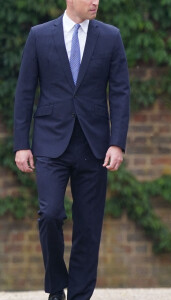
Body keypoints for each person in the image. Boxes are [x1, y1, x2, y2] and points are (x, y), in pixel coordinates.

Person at [13, 0, 130, 299]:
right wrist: (21, 145)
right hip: (50, 143)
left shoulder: (110, 36)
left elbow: (119, 92)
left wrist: (117, 142)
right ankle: (56, 285)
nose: (95, 2)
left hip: (94, 145)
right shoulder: (39, 35)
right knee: (50, 213)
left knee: (89, 226)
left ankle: (80, 294)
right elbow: (25, 92)